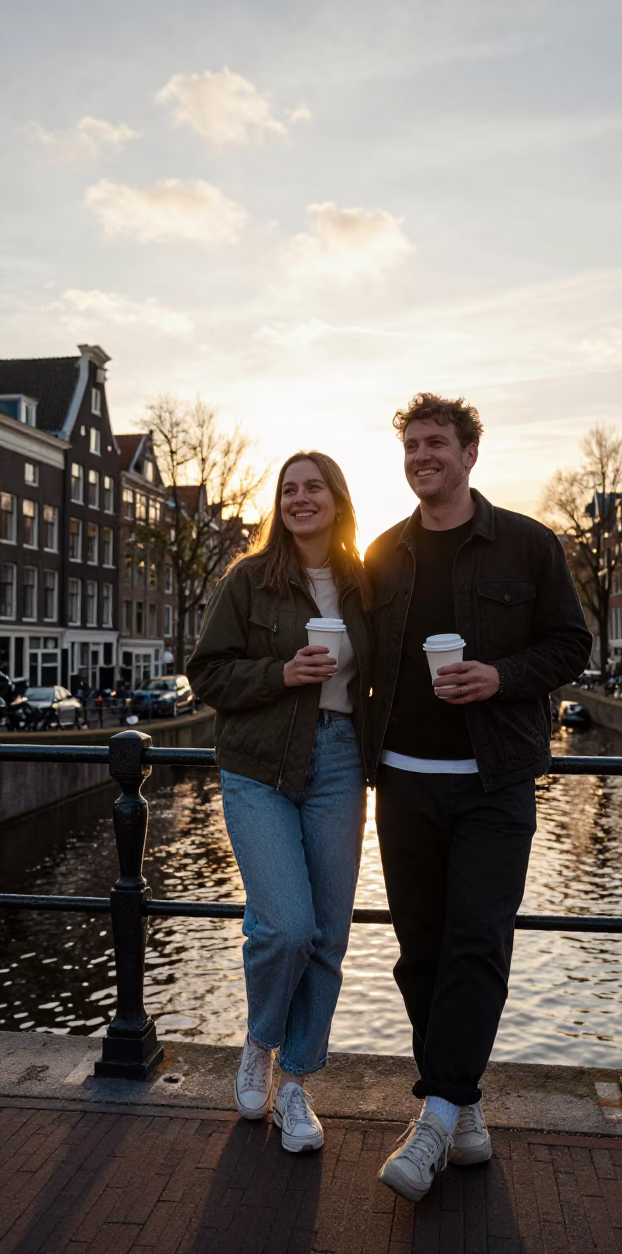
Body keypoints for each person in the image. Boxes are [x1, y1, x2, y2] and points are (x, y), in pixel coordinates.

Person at [365, 393, 592, 1202]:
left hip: (494, 782)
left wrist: (501, 678)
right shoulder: (383, 554)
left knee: (477, 946)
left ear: (469, 454)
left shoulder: (528, 544)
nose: (423, 455)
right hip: (402, 782)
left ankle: (432, 1118)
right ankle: (463, 1112)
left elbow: (572, 643)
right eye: (412, 445)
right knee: (419, 954)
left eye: (438, 443)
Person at [187, 452, 372, 1153]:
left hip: (341, 761)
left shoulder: (365, 584)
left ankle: (296, 1087)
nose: (300, 499)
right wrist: (283, 671)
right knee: (286, 927)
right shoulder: (248, 579)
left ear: (335, 498)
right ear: (280, 504)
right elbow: (206, 673)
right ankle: (260, 1040)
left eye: (312, 487)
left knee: (327, 936)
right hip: (259, 766)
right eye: (289, 490)